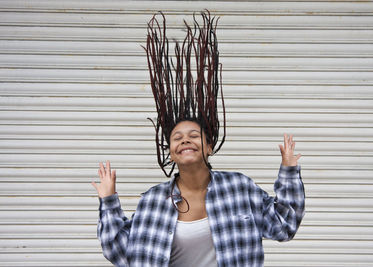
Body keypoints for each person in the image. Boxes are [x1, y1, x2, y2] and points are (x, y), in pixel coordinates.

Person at [92, 11, 305, 267]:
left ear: (209, 146)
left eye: (194, 136)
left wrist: (289, 172)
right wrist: (108, 201)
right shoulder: (153, 201)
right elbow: (120, 252)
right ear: (170, 152)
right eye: (177, 138)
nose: (185, 140)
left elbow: (284, 224)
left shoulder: (239, 188)